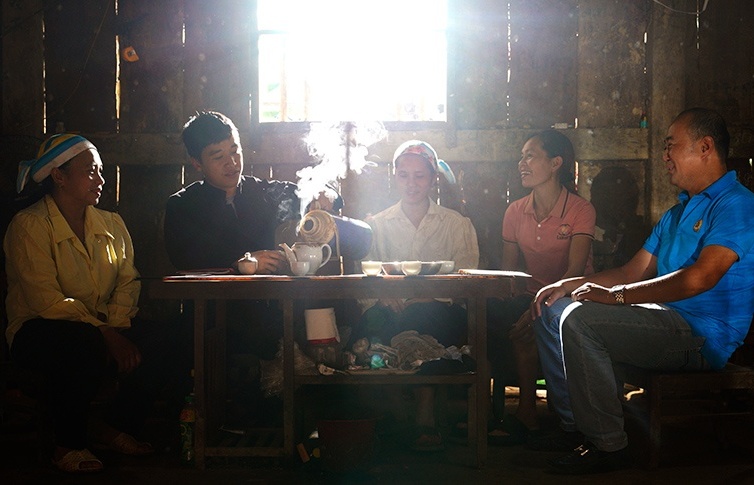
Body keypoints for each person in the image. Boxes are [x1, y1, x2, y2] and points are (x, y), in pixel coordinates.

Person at [531, 108, 754, 474]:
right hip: (662, 321)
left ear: (705, 147)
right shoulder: (677, 213)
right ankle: (573, 427)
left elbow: (700, 278)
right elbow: (631, 272)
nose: (665, 156)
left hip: (701, 336)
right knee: (553, 308)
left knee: (581, 320)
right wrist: (566, 285)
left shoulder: (737, 205)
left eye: (671, 146)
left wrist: (615, 296)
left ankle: (608, 444)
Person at [5, 134, 183, 473]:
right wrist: (104, 333)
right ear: (59, 176)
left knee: (167, 339)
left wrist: (115, 325)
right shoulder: (30, 225)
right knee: (82, 343)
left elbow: (128, 280)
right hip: (38, 329)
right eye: (90, 171)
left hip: (103, 327)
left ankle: (114, 426)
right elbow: (46, 300)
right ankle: (67, 445)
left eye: (101, 171)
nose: (100, 179)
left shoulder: (111, 223)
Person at [164, 111, 341, 360]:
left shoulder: (264, 192)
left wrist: (325, 195)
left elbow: (323, 195)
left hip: (271, 315)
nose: (232, 163)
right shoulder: (182, 206)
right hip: (213, 320)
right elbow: (184, 258)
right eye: (218, 156)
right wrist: (241, 263)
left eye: (235, 151)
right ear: (197, 163)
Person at [354, 140, 479, 451]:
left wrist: (433, 297)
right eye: (404, 175)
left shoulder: (456, 224)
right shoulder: (376, 226)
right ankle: (397, 410)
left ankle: (424, 414)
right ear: (394, 177)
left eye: (420, 176)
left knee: (424, 317)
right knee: (375, 322)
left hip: (441, 312)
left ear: (433, 179)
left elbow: (466, 279)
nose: (411, 183)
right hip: (390, 308)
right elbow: (366, 280)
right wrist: (382, 297)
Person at [486, 130, 595, 445]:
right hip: (528, 296)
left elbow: (575, 272)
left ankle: (534, 414)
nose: (522, 163)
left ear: (556, 163)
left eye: (530, 156)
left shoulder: (580, 210)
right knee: (488, 317)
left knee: (535, 323)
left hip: (573, 296)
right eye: (521, 156)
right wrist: (523, 304)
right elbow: (509, 274)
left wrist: (538, 310)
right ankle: (503, 412)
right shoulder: (515, 211)